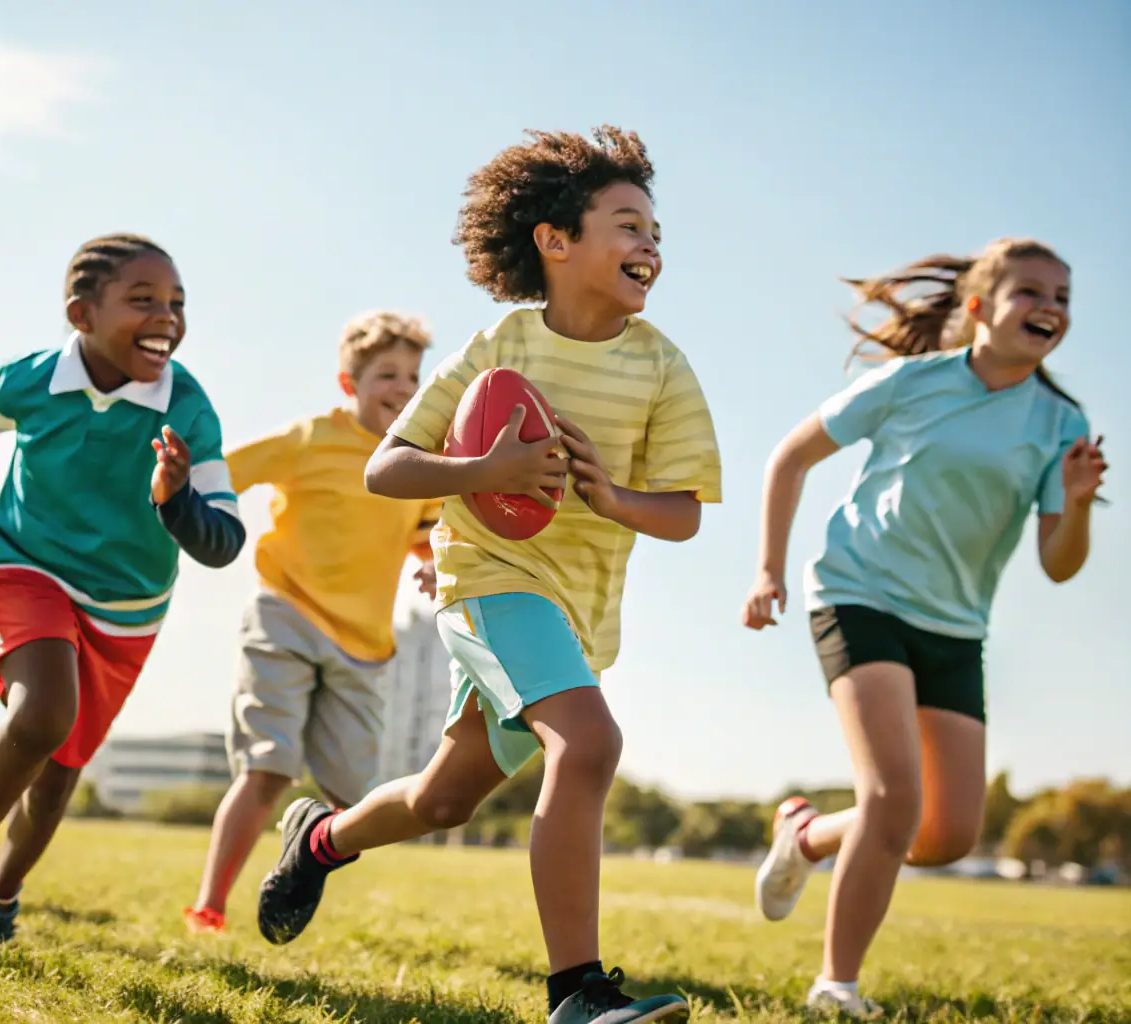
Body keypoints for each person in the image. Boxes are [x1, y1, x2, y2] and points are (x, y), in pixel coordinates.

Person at [254, 126, 721, 1024]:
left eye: (655, 233)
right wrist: (483, 475)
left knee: (444, 800)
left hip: (578, 612)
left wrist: (609, 494)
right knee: (586, 744)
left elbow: (683, 513)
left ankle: (320, 840)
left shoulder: (662, 367)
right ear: (554, 240)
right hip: (488, 580)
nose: (649, 246)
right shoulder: (503, 344)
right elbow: (385, 469)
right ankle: (576, 993)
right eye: (627, 225)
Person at [741, 238, 1106, 1018]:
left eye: (1063, 297)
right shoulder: (911, 383)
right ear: (976, 307)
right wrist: (767, 569)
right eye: (1030, 292)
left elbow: (1058, 563)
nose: (1049, 308)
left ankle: (804, 837)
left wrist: (1073, 501)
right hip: (858, 593)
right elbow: (789, 459)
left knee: (943, 836)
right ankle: (835, 985)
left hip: (954, 628)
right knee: (892, 794)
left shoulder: (1060, 422)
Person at [0, 234, 246, 949]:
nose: (166, 316)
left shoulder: (189, 410)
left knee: (56, 778)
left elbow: (223, 543)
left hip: (127, 606)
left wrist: (174, 501)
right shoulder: (32, 379)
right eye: (142, 301)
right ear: (82, 313)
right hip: (25, 560)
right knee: (44, 712)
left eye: (176, 303)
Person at [183, 311, 439, 934]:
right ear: (349, 385)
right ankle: (210, 906)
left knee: (353, 803)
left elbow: (426, 537)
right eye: (387, 375)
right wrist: (174, 488)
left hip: (365, 644)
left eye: (412, 376)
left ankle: (298, 862)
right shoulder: (309, 439)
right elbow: (220, 470)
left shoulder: (417, 463)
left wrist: (434, 565)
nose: (403, 389)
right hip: (286, 616)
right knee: (268, 766)